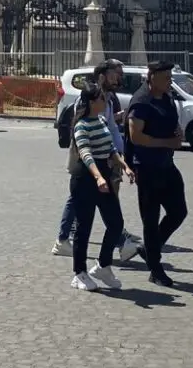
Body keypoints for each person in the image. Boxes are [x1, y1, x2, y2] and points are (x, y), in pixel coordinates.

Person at [53, 62, 141, 265]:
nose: (118, 78)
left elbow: (108, 132)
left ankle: (105, 252)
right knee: (87, 212)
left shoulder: (107, 101)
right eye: (114, 74)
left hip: (106, 162)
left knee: (103, 211)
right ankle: (79, 254)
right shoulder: (90, 103)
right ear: (102, 75)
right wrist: (99, 173)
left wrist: (122, 162)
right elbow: (84, 145)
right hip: (91, 167)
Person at [127, 60, 188, 288]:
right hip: (147, 167)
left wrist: (177, 132)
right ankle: (155, 268)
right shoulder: (141, 101)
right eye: (165, 77)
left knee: (178, 211)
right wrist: (167, 141)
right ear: (152, 77)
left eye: (170, 77)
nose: (169, 80)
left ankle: (148, 249)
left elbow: (170, 123)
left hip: (166, 164)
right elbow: (136, 136)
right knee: (150, 220)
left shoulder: (167, 98)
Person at [67, 80, 128, 291]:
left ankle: (103, 265)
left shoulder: (101, 120)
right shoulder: (81, 125)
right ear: (93, 101)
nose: (106, 101)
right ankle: (79, 273)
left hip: (104, 175)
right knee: (84, 227)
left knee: (116, 222)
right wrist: (98, 177)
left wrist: (124, 166)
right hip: (85, 178)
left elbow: (111, 149)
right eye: (102, 98)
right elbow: (85, 154)